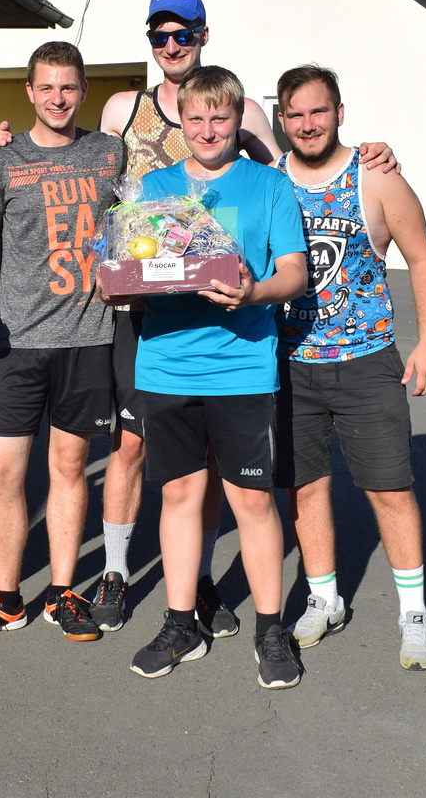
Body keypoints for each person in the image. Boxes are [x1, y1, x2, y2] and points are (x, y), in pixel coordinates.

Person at [0, 0, 397, 637]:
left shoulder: (240, 108)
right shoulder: (124, 108)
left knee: (210, 461)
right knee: (130, 447)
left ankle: (198, 583)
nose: (172, 45)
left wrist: (364, 154)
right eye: (161, 35)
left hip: (224, 317)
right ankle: (115, 572)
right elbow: (73, 156)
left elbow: (291, 167)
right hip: (139, 311)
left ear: (203, 36)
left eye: (184, 33)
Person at [127, 66, 308, 689]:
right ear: (180, 121)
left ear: (238, 120)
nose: (208, 130)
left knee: (252, 501)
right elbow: (132, 264)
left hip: (243, 366)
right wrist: (118, 281)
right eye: (196, 118)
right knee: (179, 497)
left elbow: (294, 273)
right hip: (166, 363)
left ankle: (270, 628)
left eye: (220, 118)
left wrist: (254, 292)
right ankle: (181, 623)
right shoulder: (153, 187)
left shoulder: (269, 185)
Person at [0, 41, 124, 645]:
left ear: (84, 90)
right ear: (29, 91)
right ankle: (6, 600)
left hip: (88, 336)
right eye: (46, 87)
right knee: (2, 473)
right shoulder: (0, 158)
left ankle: (63, 592)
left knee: (69, 468)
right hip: (16, 341)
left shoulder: (110, 153)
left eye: (68, 86)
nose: (57, 98)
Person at [272, 64, 426, 670]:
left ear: (339, 113)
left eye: (318, 111)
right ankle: (324, 598)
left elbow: (422, 258)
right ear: (282, 120)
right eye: (295, 114)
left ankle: (414, 614)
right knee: (305, 488)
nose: (308, 124)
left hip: (367, 362)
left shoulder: (376, 176)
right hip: (290, 365)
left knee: (389, 489)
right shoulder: (269, 180)